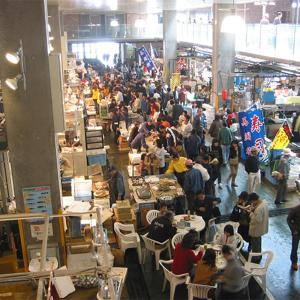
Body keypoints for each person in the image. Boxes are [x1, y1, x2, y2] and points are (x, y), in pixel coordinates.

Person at [248, 193, 269, 258]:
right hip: (261, 228)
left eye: (251, 202)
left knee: (255, 244)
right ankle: (259, 255)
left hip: (256, 229)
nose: (251, 203)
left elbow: (256, 220)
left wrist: (251, 213)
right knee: (258, 242)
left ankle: (255, 257)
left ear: (254, 200)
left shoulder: (259, 209)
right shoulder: (264, 203)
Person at [287, 205, 300, 271]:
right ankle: (294, 262)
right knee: (295, 247)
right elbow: (288, 220)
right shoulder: (295, 209)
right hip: (297, 232)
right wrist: (293, 230)